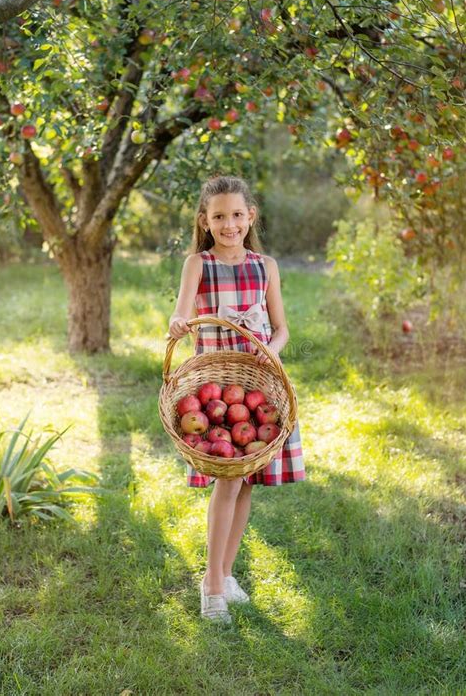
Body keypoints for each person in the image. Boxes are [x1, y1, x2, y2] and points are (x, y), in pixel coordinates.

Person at [168, 174, 306, 624]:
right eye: (220, 216)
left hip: (260, 385)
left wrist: (272, 355)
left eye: (237, 215)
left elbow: (281, 327)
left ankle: (225, 574)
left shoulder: (265, 265)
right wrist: (177, 324)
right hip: (218, 393)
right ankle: (211, 588)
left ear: (251, 217)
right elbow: (183, 313)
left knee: (245, 481)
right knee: (227, 480)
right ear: (205, 221)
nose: (230, 224)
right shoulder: (198, 264)